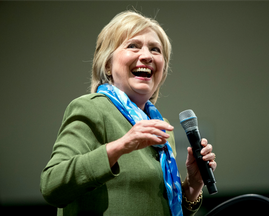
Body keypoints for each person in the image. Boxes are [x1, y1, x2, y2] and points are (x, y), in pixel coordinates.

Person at [40, 10, 217, 216]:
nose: (146, 56)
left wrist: (194, 185)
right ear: (107, 64)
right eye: (133, 46)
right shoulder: (92, 108)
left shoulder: (161, 128)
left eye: (155, 50)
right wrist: (121, 146)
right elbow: (51, 185)